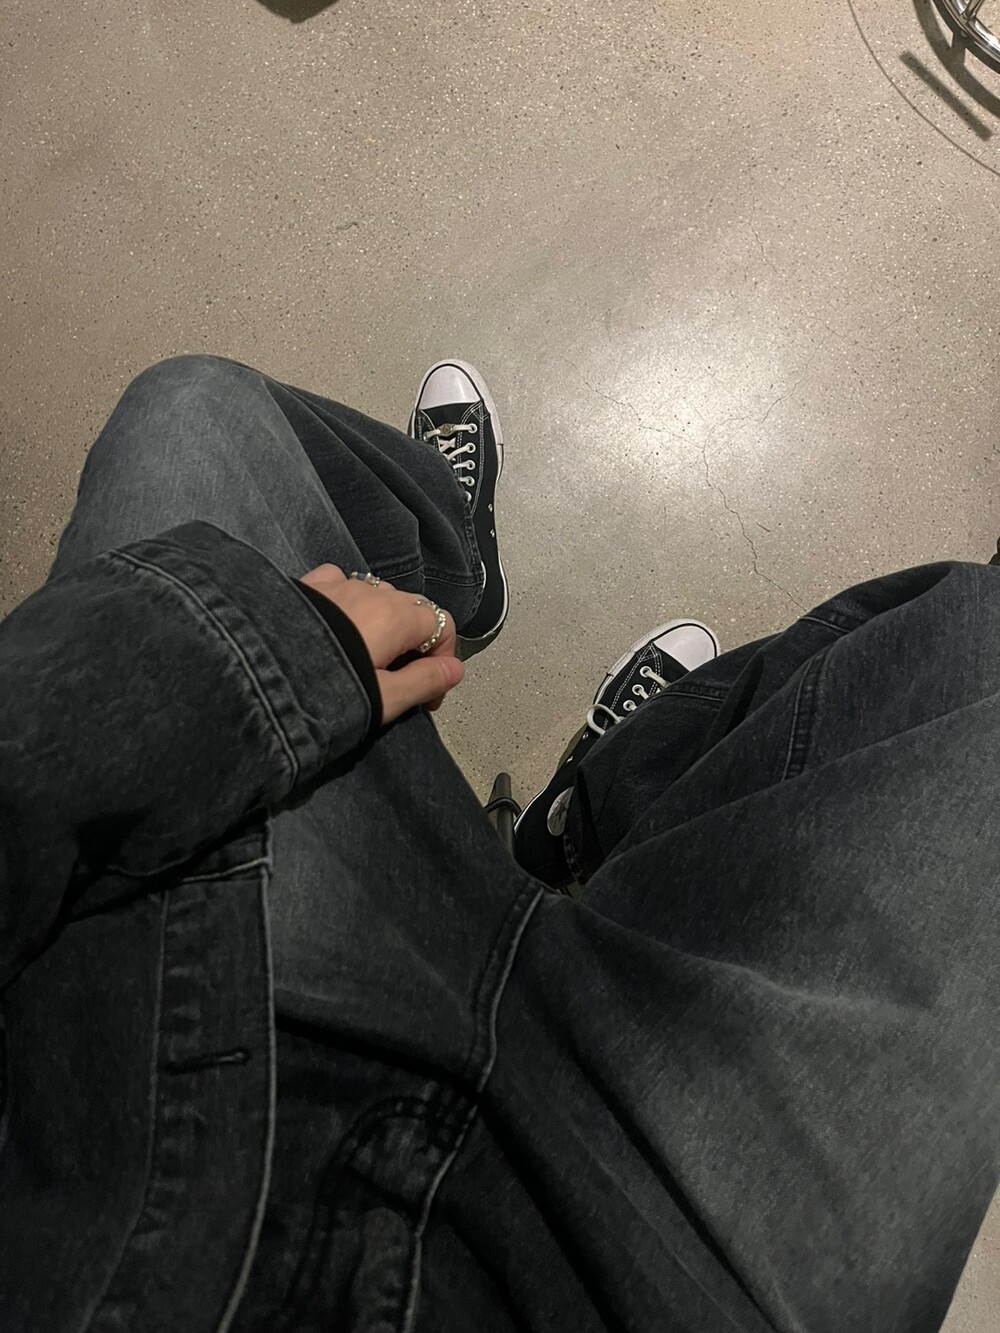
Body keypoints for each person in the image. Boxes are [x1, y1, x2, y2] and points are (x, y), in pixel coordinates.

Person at [0, 354, 996, 1333]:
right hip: (660, 1272)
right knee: (974, 655)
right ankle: (593, 819)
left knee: (196, 415)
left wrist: (266, 656)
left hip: (171, 1062)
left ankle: (458, 594)